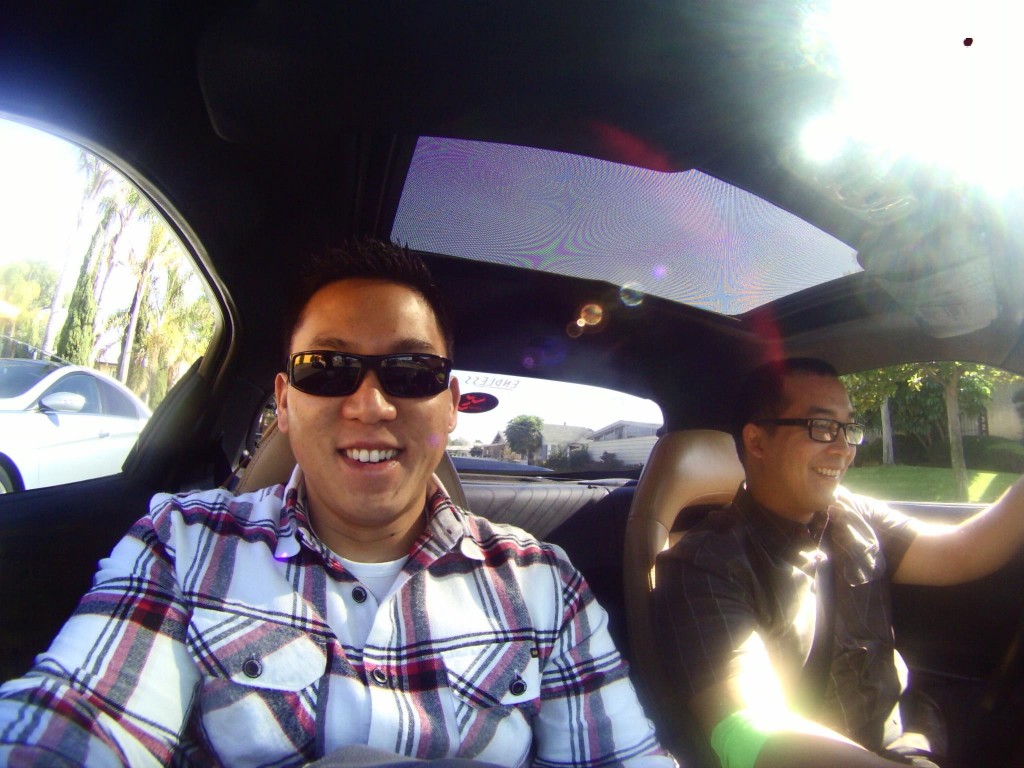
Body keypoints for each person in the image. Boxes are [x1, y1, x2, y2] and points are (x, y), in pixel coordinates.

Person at [0, 240, 673, 768]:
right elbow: (69, 727)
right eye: (327, 369)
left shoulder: (544, 583)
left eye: (411, 372)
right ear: (285, 403)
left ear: (450, 406)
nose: (370, 405)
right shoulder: (182, 545)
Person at [655, 357, 1024, 768]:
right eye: (822, 427)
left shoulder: (852, 513)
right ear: (757, 442)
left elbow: (957, 554)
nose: (845, 448)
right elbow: (751, 730)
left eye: (848, 428)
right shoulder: (703, 565)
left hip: (912, 730)